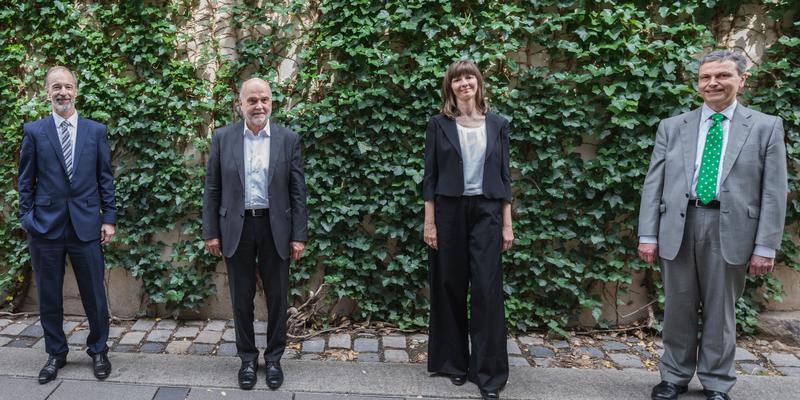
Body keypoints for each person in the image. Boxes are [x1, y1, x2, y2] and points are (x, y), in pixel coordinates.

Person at [638, 50, 787, 400]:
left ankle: (717, 383)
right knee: (677, 307)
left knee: (721, 312)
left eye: (722, 76)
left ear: (742, 80)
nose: (712, 83)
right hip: (679, 224)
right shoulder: (673, 126)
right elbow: (653, 183)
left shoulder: (766, 127)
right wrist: (647, 234)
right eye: (705, 77)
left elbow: (774, 191)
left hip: (731, 229)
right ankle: (673, 377)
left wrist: (765, 246)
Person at [202, 77, 308, 390]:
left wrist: (298, 235)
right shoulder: (223, 138)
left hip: (276, 226)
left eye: (264, 99)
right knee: (241, 299)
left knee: (277, 298)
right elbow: (212, 188)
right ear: (240, 104)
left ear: (272, 102)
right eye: (252, 100)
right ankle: (247, 359)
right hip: (237, 227)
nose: (258, 105)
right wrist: (211, 231)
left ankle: (274, 358)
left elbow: (297, 191)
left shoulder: (288, 139)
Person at [18, 66, 117, 384]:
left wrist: (109, 219)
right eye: (57, 87)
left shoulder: (96, 131)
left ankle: (99, 350)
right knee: (49, 295)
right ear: (47, 92)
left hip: (87, 225)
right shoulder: (35, 131)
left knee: (94, 295)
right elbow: (25, 181)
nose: (63, 92)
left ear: (76, 91)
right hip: (45, 228)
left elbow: (105, 178)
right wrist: (28, 220)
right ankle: (55, 353)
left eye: (68, 86)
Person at [423, 60, 514, 400]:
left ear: (478, 83)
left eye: (469, 77)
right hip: (448, 211)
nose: (464, 83)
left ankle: (487, 371)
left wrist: (507, 224)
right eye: (458, 79)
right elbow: (430, 178)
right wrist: (429, 222)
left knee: (487, 291)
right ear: (450, 87)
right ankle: (454, 363)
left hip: (487, 212)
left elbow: (505, 178)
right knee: (449, 286)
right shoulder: (438, 125)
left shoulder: (498, 124)